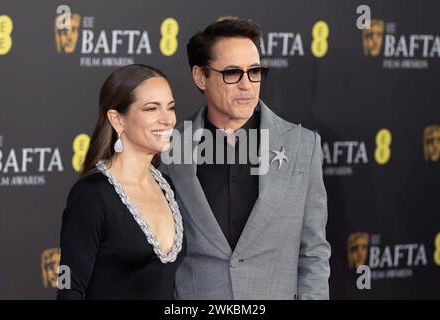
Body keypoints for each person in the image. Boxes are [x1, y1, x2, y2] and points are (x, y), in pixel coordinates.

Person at [160, 18, 331, 299]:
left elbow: (313, 251)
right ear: (200, 77)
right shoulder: (169, 148)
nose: (246, 85)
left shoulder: (303, 145)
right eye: (232, 73)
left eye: (255, 71)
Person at [57, 64, 185, 299]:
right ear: (117, 120)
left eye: (170, 107)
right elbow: (68, 287)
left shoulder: (167, 186)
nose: (167, 119)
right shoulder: (91, 195)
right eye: (151, 109)